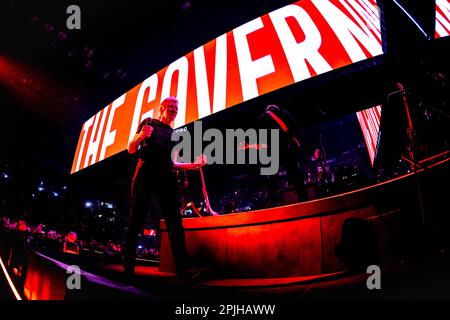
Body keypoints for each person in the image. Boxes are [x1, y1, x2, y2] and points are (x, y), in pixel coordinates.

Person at [124, 96, 206, 279]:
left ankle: (184, 271)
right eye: (171, 106)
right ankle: (128, 267)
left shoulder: (174, 134)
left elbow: (174, 163)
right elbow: (130, 149)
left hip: (166, 176)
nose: (174, 110)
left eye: (176, 108)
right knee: (136, 219)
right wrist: (140, 136)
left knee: (175, 222)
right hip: (145, 172)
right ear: (161, 108)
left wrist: (193, 165)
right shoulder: (148, 122)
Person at [259, 104, 308, 205]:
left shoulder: (263, 117)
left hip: (272, 149)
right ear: (277, 109)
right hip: (287, 146)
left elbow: (261, 135)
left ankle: (272, 201)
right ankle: (303, 197)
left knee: (272, 176)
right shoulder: (284, 113)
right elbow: (295, 126)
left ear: (268, 111)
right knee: (294, 172)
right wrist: (294, 140)